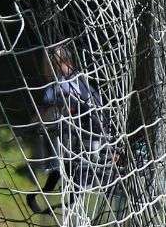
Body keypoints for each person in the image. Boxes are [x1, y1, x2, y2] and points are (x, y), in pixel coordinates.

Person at [27, 45, 112, 214]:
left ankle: (73, 182)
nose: (47, 69)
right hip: (79, 141)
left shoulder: (70, 85)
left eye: (50, 64)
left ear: (64, 62)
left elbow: (88, 111)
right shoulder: (63, 85)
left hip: (88, 140)